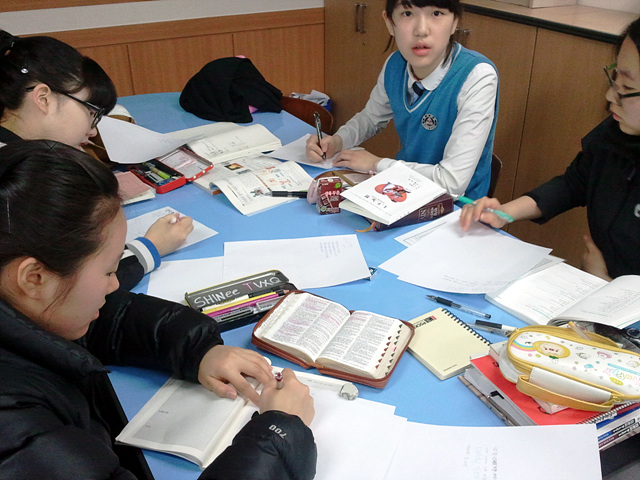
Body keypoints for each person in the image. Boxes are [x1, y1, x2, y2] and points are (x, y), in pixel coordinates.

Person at [0, 139, 316, 479]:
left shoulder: (30, 306)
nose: (115, 285)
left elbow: (105, 320)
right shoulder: (16, 423)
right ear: (34, 278)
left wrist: (197, 350)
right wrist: (279, 434)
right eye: (108, 271)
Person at [0, 30, 193, 290]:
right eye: (92, 112)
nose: (93, 131)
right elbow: (73, 289)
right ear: (43, 99)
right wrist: (151, 248)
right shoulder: (27, 181)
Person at [460, 17, 640, 282]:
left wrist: (606, 283)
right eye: (615, 80)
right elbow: (572, 185)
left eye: (627, 88)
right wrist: (504, 213)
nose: (610, 95)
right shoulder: (614, 134)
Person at [306, 0, 498, 199]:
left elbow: (452, 182)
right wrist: (337, 141)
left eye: (436, 14)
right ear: (390, 22)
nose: (421, 30)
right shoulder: (395, 64)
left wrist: (376, 164)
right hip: (402, 191)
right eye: (407, 14)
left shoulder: (477, 76)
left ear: (454, 22)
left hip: (457, 208)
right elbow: (371, 118)